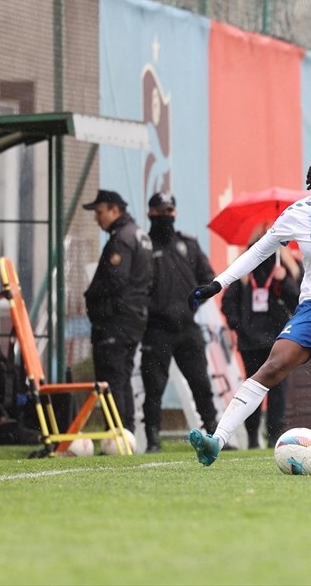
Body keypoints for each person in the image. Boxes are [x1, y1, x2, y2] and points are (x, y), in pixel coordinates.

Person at [185, 158, 311, 466]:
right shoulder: (298, 215)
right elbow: (258, 251)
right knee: (273, 365)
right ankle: (217, 440)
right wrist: (218, 283)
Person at [139, 192, 221, 453]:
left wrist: (191, 305)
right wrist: (157, 310)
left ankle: (215, 434)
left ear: (175, 213)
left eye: (169, 212)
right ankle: (153, 440)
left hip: (188, 327)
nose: (165, 217)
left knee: (201, 383)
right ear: (150, 213)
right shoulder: (143, 247)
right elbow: (136, 289)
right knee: (153, 387)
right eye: (160, 212)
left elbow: (209, 279)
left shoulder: (189, 245)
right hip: (156, 329)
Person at [220, 225, 302, 449]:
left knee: (279, 391)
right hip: (251, 341)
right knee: (252, 389)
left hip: (279, 339)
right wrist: (240, 325)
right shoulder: (245, 266)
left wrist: (284, 279)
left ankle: (275, 437)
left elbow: (300, 300)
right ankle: (253, 438)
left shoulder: (287, 265)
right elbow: (228, 303)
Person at [83, 189, 153, 434]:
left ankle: (118, 432)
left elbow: (115, 281)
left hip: (116, 320)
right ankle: (126, 434)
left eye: (100, 212)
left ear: (115, 210)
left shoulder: (121, 238)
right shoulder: (138, 234)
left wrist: (93, 299)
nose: (97, 218)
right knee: (121, 377)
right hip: (133, 319)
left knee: (111, 379)